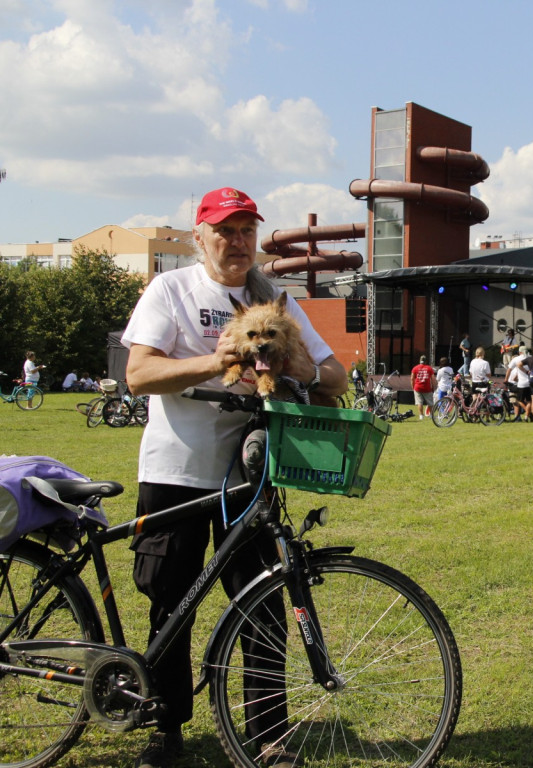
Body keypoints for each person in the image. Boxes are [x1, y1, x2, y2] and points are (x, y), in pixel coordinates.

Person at [122, 187, 347, 768]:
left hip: (250, 479)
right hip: (174, 471)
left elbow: (336, 376)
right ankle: (165, 727)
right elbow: (139, 374)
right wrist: (217, 362)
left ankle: (269, 738)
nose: (238, 241)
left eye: (247, 230)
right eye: (225, 230)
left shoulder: (273, 302)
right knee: (171, 605)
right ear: (200, 237)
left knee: (263, 606)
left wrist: (296, 366)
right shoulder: (170, 289)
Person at [504, 344, 531, 422]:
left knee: (519, 400)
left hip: (521, 383)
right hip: (530, 383)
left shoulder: (516, 359)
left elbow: (509, 369)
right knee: (529, 401)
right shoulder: (530, 357)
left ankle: (528, 412)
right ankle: (527, 415)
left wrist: (506, 379)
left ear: (520, 352)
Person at [410, 355, 436, 420]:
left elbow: (412, 378)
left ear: (420, 360)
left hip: (417, 387)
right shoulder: (429, 368)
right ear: (426, 361)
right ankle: (431, 415)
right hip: (427, 388)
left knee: (419, 402)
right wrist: (433, 387)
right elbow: (433, 379)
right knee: (430, 402)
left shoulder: (415, 368)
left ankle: (421, 416)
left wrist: (413, 387)